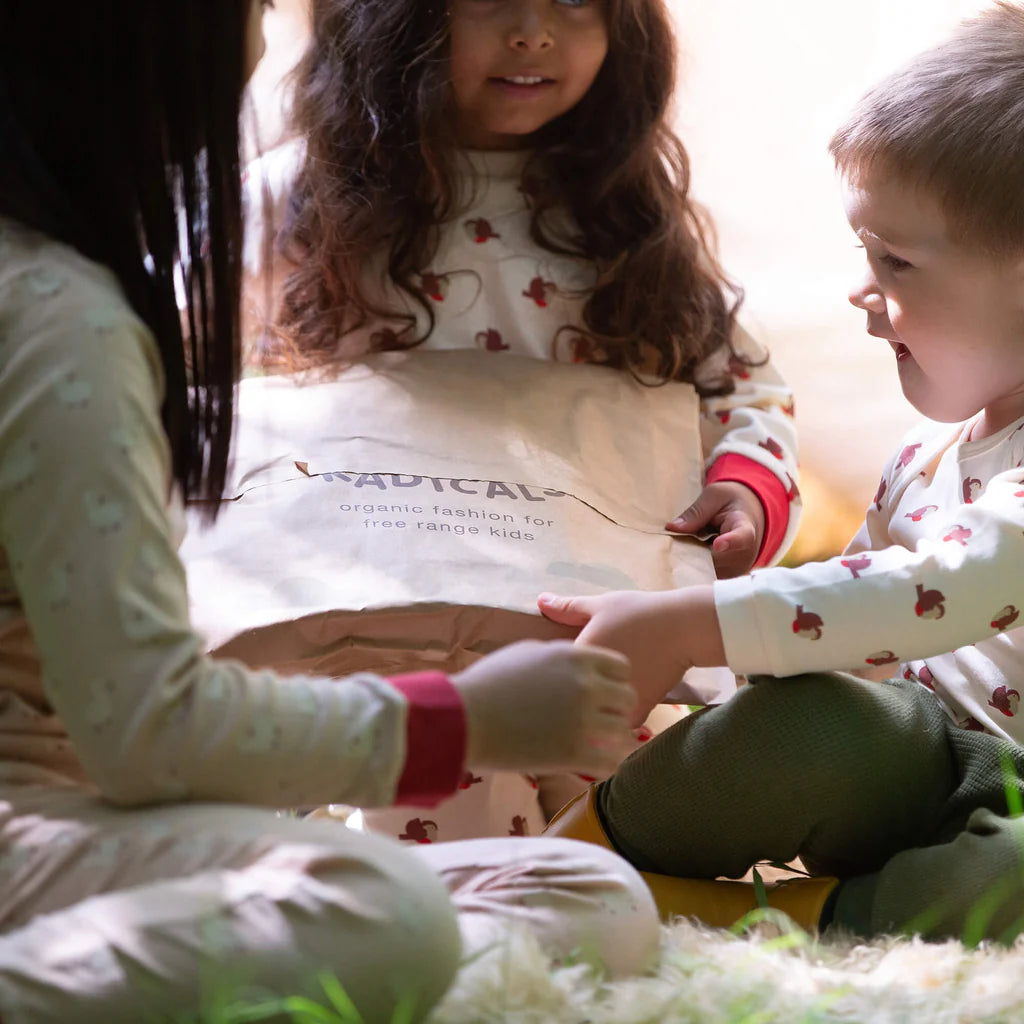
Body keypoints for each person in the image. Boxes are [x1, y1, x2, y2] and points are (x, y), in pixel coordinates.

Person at [0, 3, 661, 1021]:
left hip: (83, 817)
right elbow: (146, 730)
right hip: (42, 819)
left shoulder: (58, 288)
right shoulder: (59, 319)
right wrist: (464, 721)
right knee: (380, 907)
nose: (266, 36)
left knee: (586, 894)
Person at [245, 0, 800, 843]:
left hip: (578, 637)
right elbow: (171, 382)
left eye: (575, 2)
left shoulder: (627, 213)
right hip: (368, 647)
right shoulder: (294, 199)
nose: (533, 32)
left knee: (661, 819)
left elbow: (745, 392)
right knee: (439, 795)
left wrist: (747, 491)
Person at [541, 0, 1024, 946]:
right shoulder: (922, 461)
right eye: (863, 251)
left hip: (1008, 813)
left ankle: (794, 917)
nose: (861, 289)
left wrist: (691, 622)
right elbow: (853, 632)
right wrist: (705, 662)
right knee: (808, 724)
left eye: (896, 261)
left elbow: (947, 585)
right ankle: (576, 854)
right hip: (909, 763)